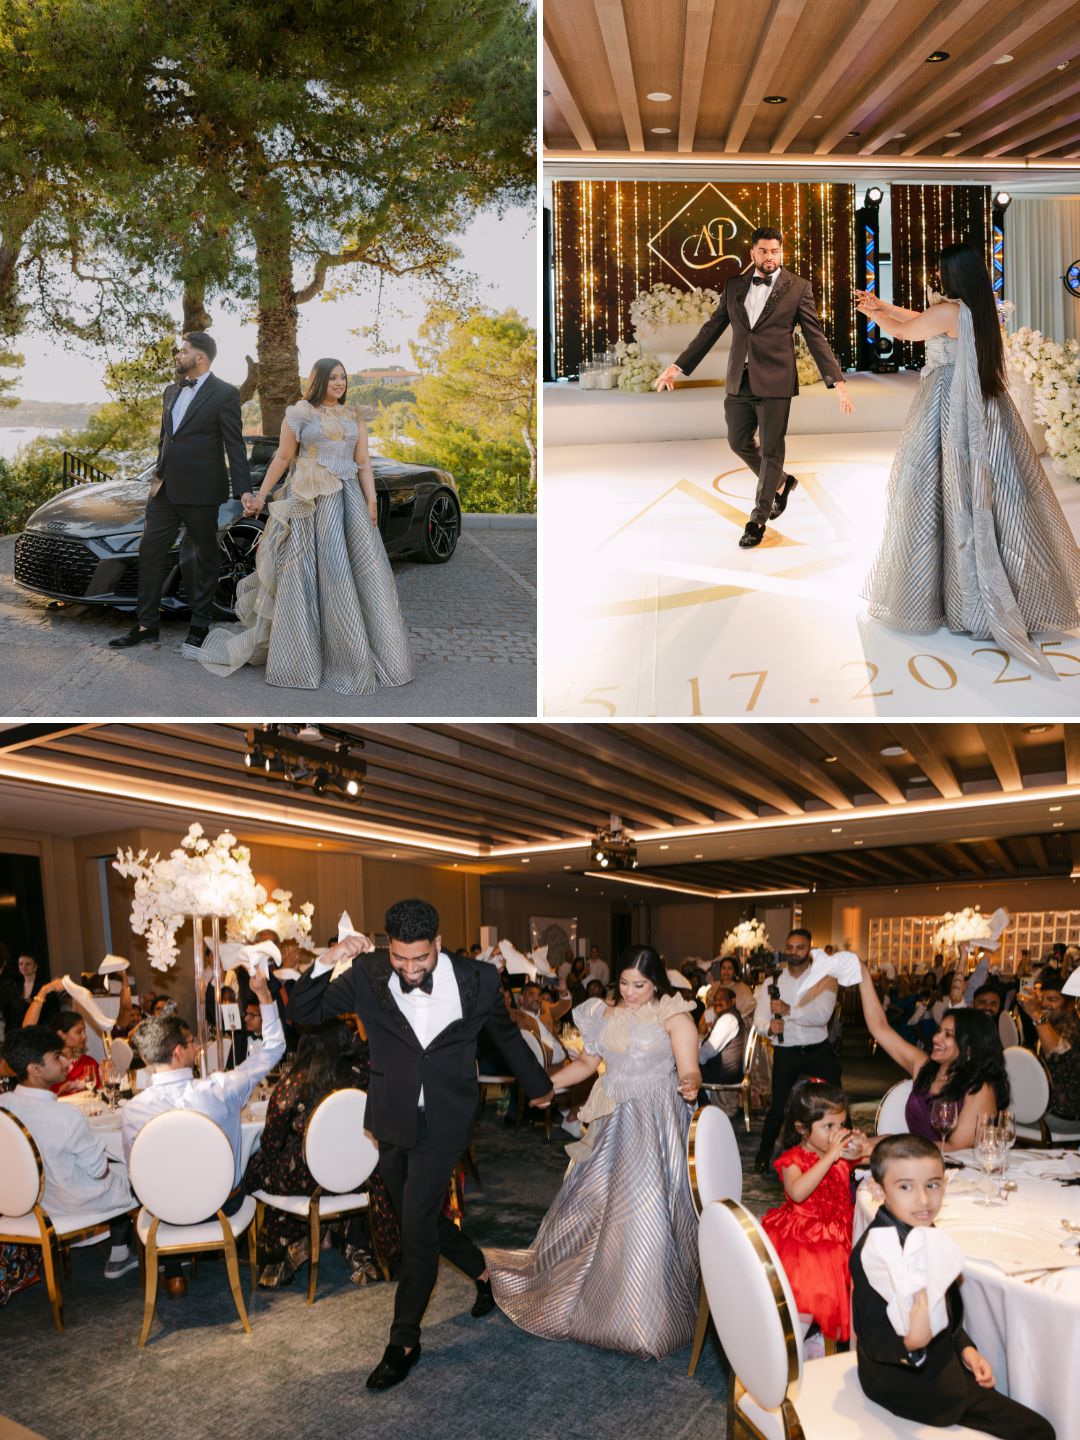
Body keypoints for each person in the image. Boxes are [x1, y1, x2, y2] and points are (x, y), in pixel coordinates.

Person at [286, 898, 552, 1391]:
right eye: (401, 960)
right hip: (391, 1116)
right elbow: (303, 1010)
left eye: (421, 960)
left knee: (414, 1229)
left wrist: (539, 1086)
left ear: (439, 943)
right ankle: (484, 1273)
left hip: (447, 1119)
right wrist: (328, 959)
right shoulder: (366, 973)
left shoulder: (478, 979)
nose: (410, 970)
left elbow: (505, 1036)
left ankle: (403, 1340)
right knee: (423, 1218)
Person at [858, 242, 1080, 676]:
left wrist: (874, 315)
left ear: (953, 274)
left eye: (942, 271)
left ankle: (958, 596)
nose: (939, 278)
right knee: (997, 499)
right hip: (986, 407)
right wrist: (885, 305)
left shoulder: (950, 310)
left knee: (939, 494)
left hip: (948, 409)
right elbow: (924, 319)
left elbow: (909, 332)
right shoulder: (982, 306)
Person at [486, 945, 702, 1360]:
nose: (630, 991)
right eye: (623, 983)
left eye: (639, 984)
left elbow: (688, 1067)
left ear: (655, 982)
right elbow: (587, 1065)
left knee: (648, 1209)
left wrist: (690, 1082)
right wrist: (548, 1086)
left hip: (655, 1119)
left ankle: (647, 1314)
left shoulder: (673, 1015)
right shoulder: (601, 1013)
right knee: (594, 1204)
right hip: (613, 1117)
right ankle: (597, 1296)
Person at [194, 358, 414, 695]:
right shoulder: (299, 414)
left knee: (353, 575)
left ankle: (355, 653)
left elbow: (364, 462)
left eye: (343, 377)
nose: (339, 383)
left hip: (349, 500)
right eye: (333, 378)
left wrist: (370, 500)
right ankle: (305, 657)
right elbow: (282, 458)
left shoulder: (353, 415)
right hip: (309, 502)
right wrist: (260, 495)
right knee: (310, 575)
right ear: (318, 380)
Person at [654, 226, 853, 548]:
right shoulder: (734, 286)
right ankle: (783, 482)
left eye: (775, 251)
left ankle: (756, 520)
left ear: (781, 252)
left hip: (776, 381)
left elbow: (814, 335)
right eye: (763, 251)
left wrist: (837, 380)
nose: (769, 257)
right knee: (738, 441)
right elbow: (711, 330)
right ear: (753, 254)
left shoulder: (798, 287)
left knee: (772, 451)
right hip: (739, 379)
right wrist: (678, 367)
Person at [851, 1134, 1055, 1438]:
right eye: (906, 1186)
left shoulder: (923, 1231)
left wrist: (966, 1349)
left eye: (933, 1185)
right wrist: (912, 1344)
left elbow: (941, 1308)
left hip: (940, 1361)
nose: (923, 1199)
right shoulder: (874, 1254)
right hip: (905, 1382)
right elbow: (873, 1338)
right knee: (1039, 1431)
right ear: (878, 1190)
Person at [122, 968, 284, 1296]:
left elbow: (135, 1171)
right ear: (179, 1051)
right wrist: (265, 997)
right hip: (223, 1206)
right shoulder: (221, 1088)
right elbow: (274, 1049)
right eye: (193, 1042)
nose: (198, 1046)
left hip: (164, 1209)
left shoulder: (133, 1109)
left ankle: (174, 1270)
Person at [110, 331, 251, 651]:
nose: (177, 354)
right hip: (163, 489)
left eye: (183, 350)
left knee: (204, 559)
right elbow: (166, 439)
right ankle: (147, 625)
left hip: (202, 491)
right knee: (150, 553)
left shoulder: (224, 393)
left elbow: (234, 444)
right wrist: (156, 474)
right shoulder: (170, 391)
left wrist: (244, 489)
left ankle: (200, 625)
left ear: (199, 357)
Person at [245, 1019, 400, 1288]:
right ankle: (331, 1236)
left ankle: (286, 1248)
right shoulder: (363, 1074)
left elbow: (271, 1143)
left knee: (255, 1168)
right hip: (355, 1172)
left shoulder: (293, 1084)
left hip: (309, 1181)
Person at [0, 1026, 137, 1279]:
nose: (66, 1061)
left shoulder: (4, 1105)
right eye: (56, 1057)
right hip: (74, 1202)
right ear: (34, 1069)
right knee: (136, 1173)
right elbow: (98, 1170)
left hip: (30, 1202)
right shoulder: (65, 1115)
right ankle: (146, 1257)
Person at [761, 1079, 868, 1346]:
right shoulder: (793, 1159)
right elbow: (797, 1192)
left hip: (841, 1232)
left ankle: (822, 1342)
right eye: (828, 1126)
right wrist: (830, 1157)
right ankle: (792, 1345)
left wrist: (863, 1147)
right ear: (802, 1129)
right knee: (810, 1289)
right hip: (806, 1240)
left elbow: (874, 1155)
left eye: (841, 1125)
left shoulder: (840, 1153)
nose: (837, 1132)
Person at [857, 962, 1008, 1149]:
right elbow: (880, 1028)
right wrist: (862, 973)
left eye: (948, 1035)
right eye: (939, 1030)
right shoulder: (924, 1067)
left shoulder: (979, 1089)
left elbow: (956, 1149)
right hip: (912, 1158)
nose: (936, 1037)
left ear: (970, 1047)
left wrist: (894, 1144)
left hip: (951, 1170)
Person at [753, 928, 841, 1173]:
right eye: (790, 947)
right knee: (779, 1106)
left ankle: (844, 1151)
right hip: (787, 1051)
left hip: (818, 1050)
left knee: (836, 1099)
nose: (793, 952)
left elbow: (822, 1015)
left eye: (800, 947)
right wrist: (769, 1027)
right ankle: (763, 1154)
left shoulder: (825, 979)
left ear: (809, 950)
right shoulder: (772, 981)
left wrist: (789, 1010)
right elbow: (758, 1020)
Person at [1017, 968, 1080, 1122]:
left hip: (1062, 1114)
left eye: (1052, 999)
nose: (1045, 1005)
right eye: (1043, 1000)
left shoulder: (1073, 1026)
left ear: (1070, 1005)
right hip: (1044, 1108)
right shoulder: (1052, 1025)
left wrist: (1036, 1014)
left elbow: (1056, 1055)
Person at [698, 986, 747, 1086]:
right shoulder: (730, 1015)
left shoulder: (728, 1019)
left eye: (722, 999)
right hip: (727, 1071)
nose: (717, 1002)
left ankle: (705, 1101)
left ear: (732, 1001)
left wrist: (697, 1060)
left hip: (723, 1073)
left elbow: (710, 1049)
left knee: (686, 1073)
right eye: (715, 999)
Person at [48, 1010, 101, 1096]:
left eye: (84, 1031)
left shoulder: (88, 1063)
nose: (84, 1037)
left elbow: (98, 1094)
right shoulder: (49, 1065)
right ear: (61, 1034)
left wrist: (102, 1078)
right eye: (79, 1032)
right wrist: (61, 1090)